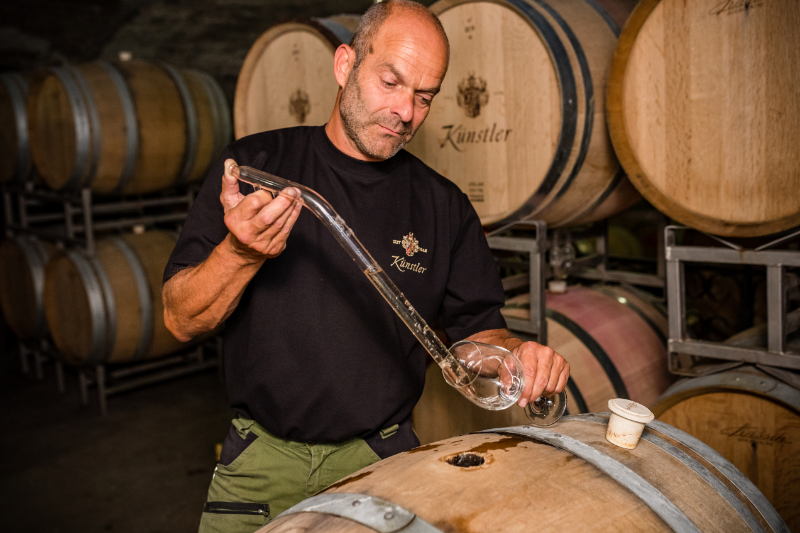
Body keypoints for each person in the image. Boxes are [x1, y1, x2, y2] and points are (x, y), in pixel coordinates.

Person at [162, 1, 569, 531]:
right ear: (344, 65)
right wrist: (238, 254)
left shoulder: (444, 206)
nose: (405, 112)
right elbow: (180, 318)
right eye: (391, 83)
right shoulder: (256, 169)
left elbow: (480, 334)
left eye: (424, 97)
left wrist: (519, 358)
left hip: (381, 460)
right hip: (260, 461)